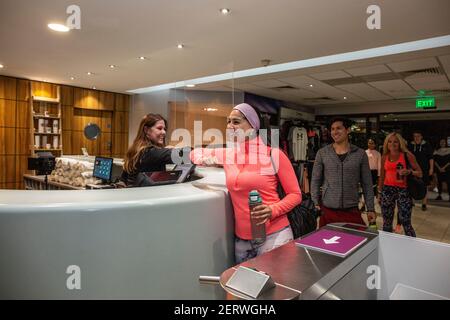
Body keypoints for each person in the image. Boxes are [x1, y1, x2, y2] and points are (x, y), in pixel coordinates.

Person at [190, 103, 302, 263]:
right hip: (242, 240)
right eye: (228, 122)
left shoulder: (273, 154)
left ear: (253, 125)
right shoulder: (229, 155)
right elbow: (194, 153)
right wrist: (205, 160)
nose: (230, 126)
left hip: (274, 235)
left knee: (278, 287)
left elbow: (296, 195)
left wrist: (272, 210)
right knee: (243, 287)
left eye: (236, 122)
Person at [311, 117, 376, 228]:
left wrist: (370, 208)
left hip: (351, 209)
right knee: (327, 243)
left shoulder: (360, 154)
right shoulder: (322, 153)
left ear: (348, 130)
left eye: (338, 128)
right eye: (332, 129)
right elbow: (316, 180)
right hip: (327, 210)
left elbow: (367, 184)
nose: (334, 132)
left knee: (355, 242)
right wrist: (315, 202)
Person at [121, 113, 186, 186]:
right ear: (146, 130)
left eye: (164, 129)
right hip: (145, 196)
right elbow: (182, 156)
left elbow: (123, 178)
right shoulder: (149, 152)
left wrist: (163, 150)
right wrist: (196, 154)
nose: (164, 132)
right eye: (159, 128)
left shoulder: (137, 149)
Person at [379, 133, 422, 237]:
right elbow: (382, 175)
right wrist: (379, 192)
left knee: (406, 222)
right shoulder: (384, 156)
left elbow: (420, 173)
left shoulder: (407, 155)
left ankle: (412, 246)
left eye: (395, 141)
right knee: (386, 222)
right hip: (387, 190)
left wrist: (409, 172)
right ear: (386, 143)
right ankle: (387, 245)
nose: (392, 144)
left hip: (403, 190)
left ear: (400, 143)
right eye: (390, 141)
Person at [409, 131, 434, 211]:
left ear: (421, 136)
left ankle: (424, 203)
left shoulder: (427, 145)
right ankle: (412, 202)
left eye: (418, 136)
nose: (416, 138)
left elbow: (431, 158)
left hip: (424, 169)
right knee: (412, 185)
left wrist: (431, 168)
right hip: (413, 169)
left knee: (425, 186)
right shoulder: (411, 145)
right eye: (415, 136)